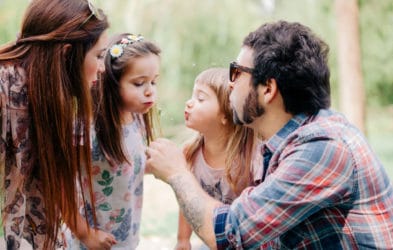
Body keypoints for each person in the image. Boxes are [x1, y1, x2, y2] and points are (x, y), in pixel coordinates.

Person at [145, 20, 393, 249]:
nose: (230, 83)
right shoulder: (286, 142)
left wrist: (178, 173)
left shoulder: (322, 147)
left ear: (268, 88)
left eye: (236, 72)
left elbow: (229, 234)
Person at [0, 0, 110, 249]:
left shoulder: (44, 94)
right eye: (99, 56)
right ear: (67, 54)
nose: (103, 68)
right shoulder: (5, 90)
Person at [64, 33, 161, 249]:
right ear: (111, 83)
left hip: (125, 238)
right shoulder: (87, 129)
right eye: (139, 83)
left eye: (154, 81)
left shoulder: (136, 119)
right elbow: (61, 187)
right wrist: (86, 233)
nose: (150, 90)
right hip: (89, 241)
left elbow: (122, 166)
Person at [175, 68, 262, 250]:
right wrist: (183, 240)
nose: (189, 103)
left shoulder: (250, 157)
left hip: (245, 240)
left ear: (225, 114)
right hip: (212, 240)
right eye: (192, 96)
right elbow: (187, 200)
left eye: (200, 99)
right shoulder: (190, 153)